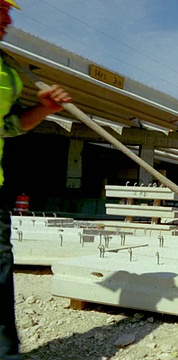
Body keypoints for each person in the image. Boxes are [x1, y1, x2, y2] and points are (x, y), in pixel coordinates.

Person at [0, 1, 73, 358]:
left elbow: (7, 126)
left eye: (7, 9)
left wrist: (44, 109)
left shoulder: (7, 71)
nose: (7, 18)